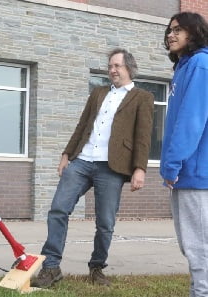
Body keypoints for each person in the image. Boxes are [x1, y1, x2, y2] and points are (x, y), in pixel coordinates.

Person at [32, 48, 154, 288]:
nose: (112, 70)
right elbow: (82, 124)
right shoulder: (98, 92)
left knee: (105, 222)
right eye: (110, 66)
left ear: (129, 68)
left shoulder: (142, 97)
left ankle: (97, 267)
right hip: (82, 161)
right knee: (58, 209)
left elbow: (143, 136)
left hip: (112, 167)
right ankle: (51, 267)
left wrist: (140, 168)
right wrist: (67, 154)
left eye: (116, 66)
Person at [160, 12, 208, 297]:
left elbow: (191, 120)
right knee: (190, 244)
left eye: (178, 30)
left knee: (199, 245)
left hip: (196, 173)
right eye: (169, 30)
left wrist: (172, 163)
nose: (170, 34)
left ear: (195, 32)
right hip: (185, 173)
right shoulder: (184, 67)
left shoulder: (201, 64)